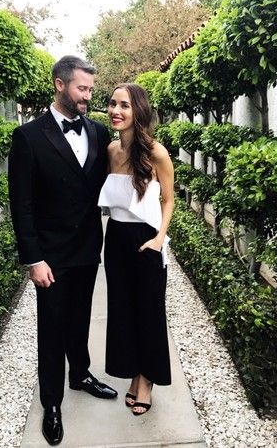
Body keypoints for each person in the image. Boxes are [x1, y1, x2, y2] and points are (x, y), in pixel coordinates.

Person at [8, 55, 118, 446]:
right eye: (81, 89)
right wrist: (33, 258)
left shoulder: (99, 132)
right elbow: (21, 204)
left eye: (90, 89)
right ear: (59, 85)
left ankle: (81, 374)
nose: (88, 96)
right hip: (50, 256)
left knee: (81, 317)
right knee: (51, 328)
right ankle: (51, 402)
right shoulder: (29, 137)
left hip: (88, 248)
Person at [98, 83, 174, 416]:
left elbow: (170, 200)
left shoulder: (156, 152)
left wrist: (159, 238)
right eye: (113, 104)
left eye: (124, 105)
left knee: (149, 313)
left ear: (138, 111)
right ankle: (133, 373)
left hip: (147, 240)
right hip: (115, 239)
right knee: (123, 312)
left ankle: (147, 381)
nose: (116, 111)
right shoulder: (111, 151)